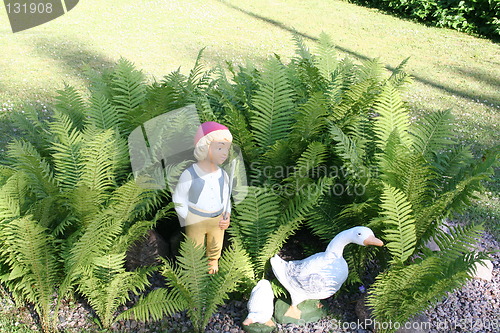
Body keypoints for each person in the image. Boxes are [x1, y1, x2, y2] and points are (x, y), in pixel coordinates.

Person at [172, 121, 232, 274]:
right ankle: (194, 269)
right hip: (195, 217)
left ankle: (213, 263)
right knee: (194, 246)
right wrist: (187, 216)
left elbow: (226, 197)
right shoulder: (190, 174)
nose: (224, 153)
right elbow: (179, 197)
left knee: (215, 244)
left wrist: (227, 214)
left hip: (217, 219)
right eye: (219, 148)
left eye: (226, 148)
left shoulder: (223, 175)